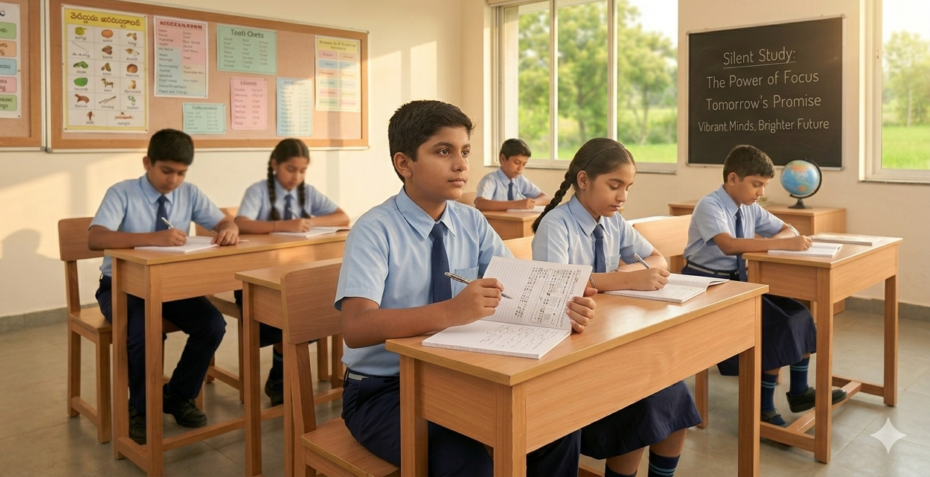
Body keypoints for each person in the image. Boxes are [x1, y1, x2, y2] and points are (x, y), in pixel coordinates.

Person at [335, 100, 590, 476]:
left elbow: (518, 286)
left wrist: (564, 304)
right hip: (384, 389)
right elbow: (356, 328)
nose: (461, 164)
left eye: (465, 152)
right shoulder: (374, 230)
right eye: (443, 151)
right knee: (467, 460)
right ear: (404, 163)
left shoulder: (471, 221)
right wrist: (451, 313)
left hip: (459, 375)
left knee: (553, 428)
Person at [532, 137, 698, 477]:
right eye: (614, 185)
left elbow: (656, 258)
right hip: (569, 348)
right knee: (641, 405)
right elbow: (557, 284)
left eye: (628, 187)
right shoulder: (556, 225)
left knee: (674, 395)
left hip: (609, 339)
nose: (622, 196)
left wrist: (618, 275)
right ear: (583, 180)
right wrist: (625, 279)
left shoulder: (613, 222)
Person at [88, 128, 239, 444]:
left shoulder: (190, 193)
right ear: (147, 163)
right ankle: (139, 409)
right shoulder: (122, 192)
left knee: (212, 325)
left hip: (168, 286)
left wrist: (230, 228)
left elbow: (223, 221)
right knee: (143, 330)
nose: (173, 180)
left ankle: (178, 395)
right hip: (120, 286)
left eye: (181, 173)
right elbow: (96, 237)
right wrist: (151, 238)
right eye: (166, 171)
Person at [682, 144, 846, 426]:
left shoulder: (749, 208)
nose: (760, 192)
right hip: (707, 284)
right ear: (733, 179)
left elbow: (788, 230)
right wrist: (781, 243)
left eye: (764, 186)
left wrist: (785, 239)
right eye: (756, 185)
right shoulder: (710, 205)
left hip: (740, 283)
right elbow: (728, 245)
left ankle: (799, 391)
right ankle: (764, 408)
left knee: (799, 313)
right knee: (775, 325)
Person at [233, 137, 350, 406]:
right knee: (292, 313)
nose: (296, 176)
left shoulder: (307, 192)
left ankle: (278, 375)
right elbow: (241, 223)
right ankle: (279, 376)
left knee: (317, 306)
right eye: (290, 169)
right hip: (258, 277)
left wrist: (307, 222)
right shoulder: (258, 190)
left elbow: (341, 217)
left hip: (293, 274)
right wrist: (283, 225)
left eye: (302, 170)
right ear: (275, 165)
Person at [473, 138, 548, 211]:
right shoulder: (491, 180)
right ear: (503, 159)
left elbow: (546, 198)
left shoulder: (519, 179)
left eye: (524, 164)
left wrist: (531, 203)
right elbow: (480, 203)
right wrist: (516, 204)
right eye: (517, 163)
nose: (520, 168)